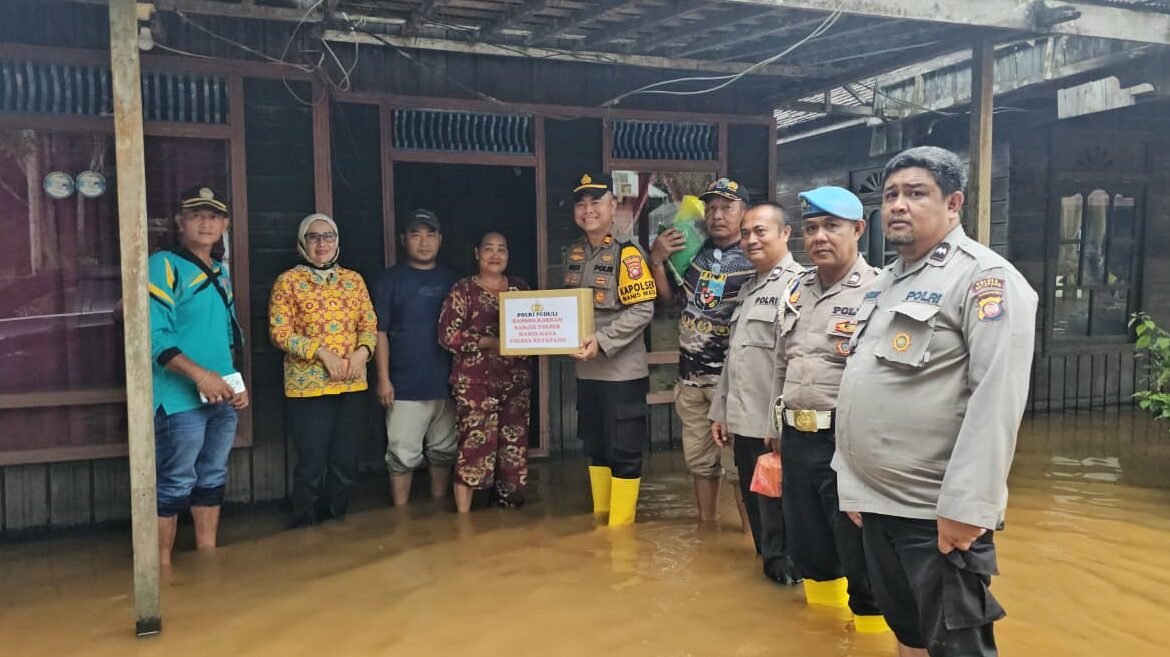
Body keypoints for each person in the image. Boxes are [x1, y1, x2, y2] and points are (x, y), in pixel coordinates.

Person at [835, 147, 1038, 657]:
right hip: (878, 505)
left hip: (936, 514)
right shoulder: (887, 282)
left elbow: (997, 399)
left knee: (955, 648)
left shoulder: (985, 280)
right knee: (908, 635)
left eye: (915, 193)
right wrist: (854, 484)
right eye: (891, 195)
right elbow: (863, 382)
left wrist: (970, 508)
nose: (898, 205)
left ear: (954, 203)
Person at [762, 188, 886, 631]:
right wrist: (773, 427)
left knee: (862, 556)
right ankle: (823, 638)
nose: (819, 237)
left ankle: (871, 636)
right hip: (796, 439)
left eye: (832, 226)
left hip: (848, 444)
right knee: (811, 549)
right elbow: (781, 363)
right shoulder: (795, 290)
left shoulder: (879, 292)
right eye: (811, 227)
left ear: (857, 229)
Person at [148, 185, 247, 566]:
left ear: (224, 224)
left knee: (212, 476)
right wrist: (199, 376)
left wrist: (234, 383)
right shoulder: (164, 264)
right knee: (175, 481)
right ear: (180, 222)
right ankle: (161, 570)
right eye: (196, 215)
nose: (205, 223)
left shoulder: (220, 271)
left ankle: (208, 560)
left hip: (220, 395)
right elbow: (155, 337)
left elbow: (226, 335)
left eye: (213, 216)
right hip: (176, 399)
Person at [650, 178, 757, 526]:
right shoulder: (695, 254)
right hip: (690, 379)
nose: (717, 215)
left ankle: (752, 538)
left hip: (731, 382)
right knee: (700, 463)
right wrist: (657, 260)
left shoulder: (756, 258)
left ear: (744, 211)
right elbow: (670, 303)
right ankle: (707, 532)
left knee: (738, 467)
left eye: (727, 207)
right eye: (710, 208)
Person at [708, 202, 803, 585]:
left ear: (785, 234)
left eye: (760, 231)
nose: (751, 239)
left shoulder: (799, 287)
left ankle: (789, 590)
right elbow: (735, 359)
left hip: (773, 429)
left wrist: (778, 427)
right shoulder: (748, 289)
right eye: (745, 233)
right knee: (760, 515)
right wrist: (720, 411)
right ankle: (771, 581)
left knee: (782, 517)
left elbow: (796, 367)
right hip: (743, 424)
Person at [268, 213, 377, 527]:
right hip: (308, 386)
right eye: (314, 237)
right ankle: (305, 529)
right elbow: (280, 331)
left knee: (345, 461)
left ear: (337, 241)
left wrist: (362, 352)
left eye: (328, 236)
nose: (321, 244)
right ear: (303, 241)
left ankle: (335, 526)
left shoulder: (353, 280)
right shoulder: (288, 281)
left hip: (352, 382)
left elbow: (368, 324)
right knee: (312, 461)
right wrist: (321, 354)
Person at [565, 172, 657, 527]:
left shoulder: (628, 254)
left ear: (612, 205)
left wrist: (602, 342)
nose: (587, 210)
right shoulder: (574, 253)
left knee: (624, 451)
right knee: (596, 446)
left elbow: (643, 310)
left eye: (595, 202)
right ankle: (600, 520)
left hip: (622, 373)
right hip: (586, 372)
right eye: (581, 203)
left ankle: (620, 533)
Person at [438, 232, 532, 513]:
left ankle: (507, 519)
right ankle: (463, 523)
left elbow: (538, 327)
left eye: (501, 249)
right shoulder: (463, 290)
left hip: (516, 384)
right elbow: (447, 336)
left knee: (513, 454)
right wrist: (493, 343)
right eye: (488, 249)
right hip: (475, 384)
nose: (495, 255)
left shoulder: (520, 289)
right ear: (476, 253)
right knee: (474, 449)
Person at [374, 209, 460, 507]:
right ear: (403, 239)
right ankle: (401, 517)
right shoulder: (389, 280)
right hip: (404, 385)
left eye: (430, 234)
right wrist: (383, 379)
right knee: (401, 454)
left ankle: (436, 510)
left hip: (447, 383)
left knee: (444, 451)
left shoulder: (454, 280)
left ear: (440, 239)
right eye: (416, 234)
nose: (424, 242)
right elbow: (379, 332)